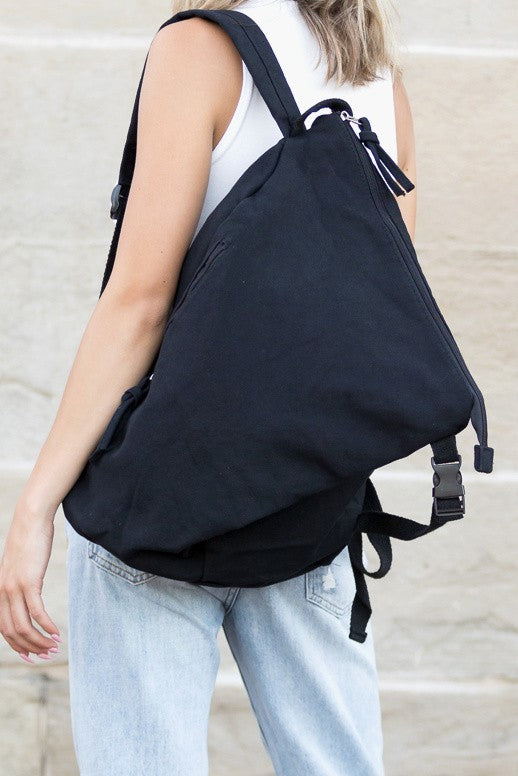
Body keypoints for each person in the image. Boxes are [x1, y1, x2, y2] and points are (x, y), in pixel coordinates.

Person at [0, 0, 416, 772]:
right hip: (307, 507)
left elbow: (139, 304)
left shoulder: (198, 48)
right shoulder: (376, 76)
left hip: (158, 509)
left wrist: (33, 509)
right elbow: (380, 313)